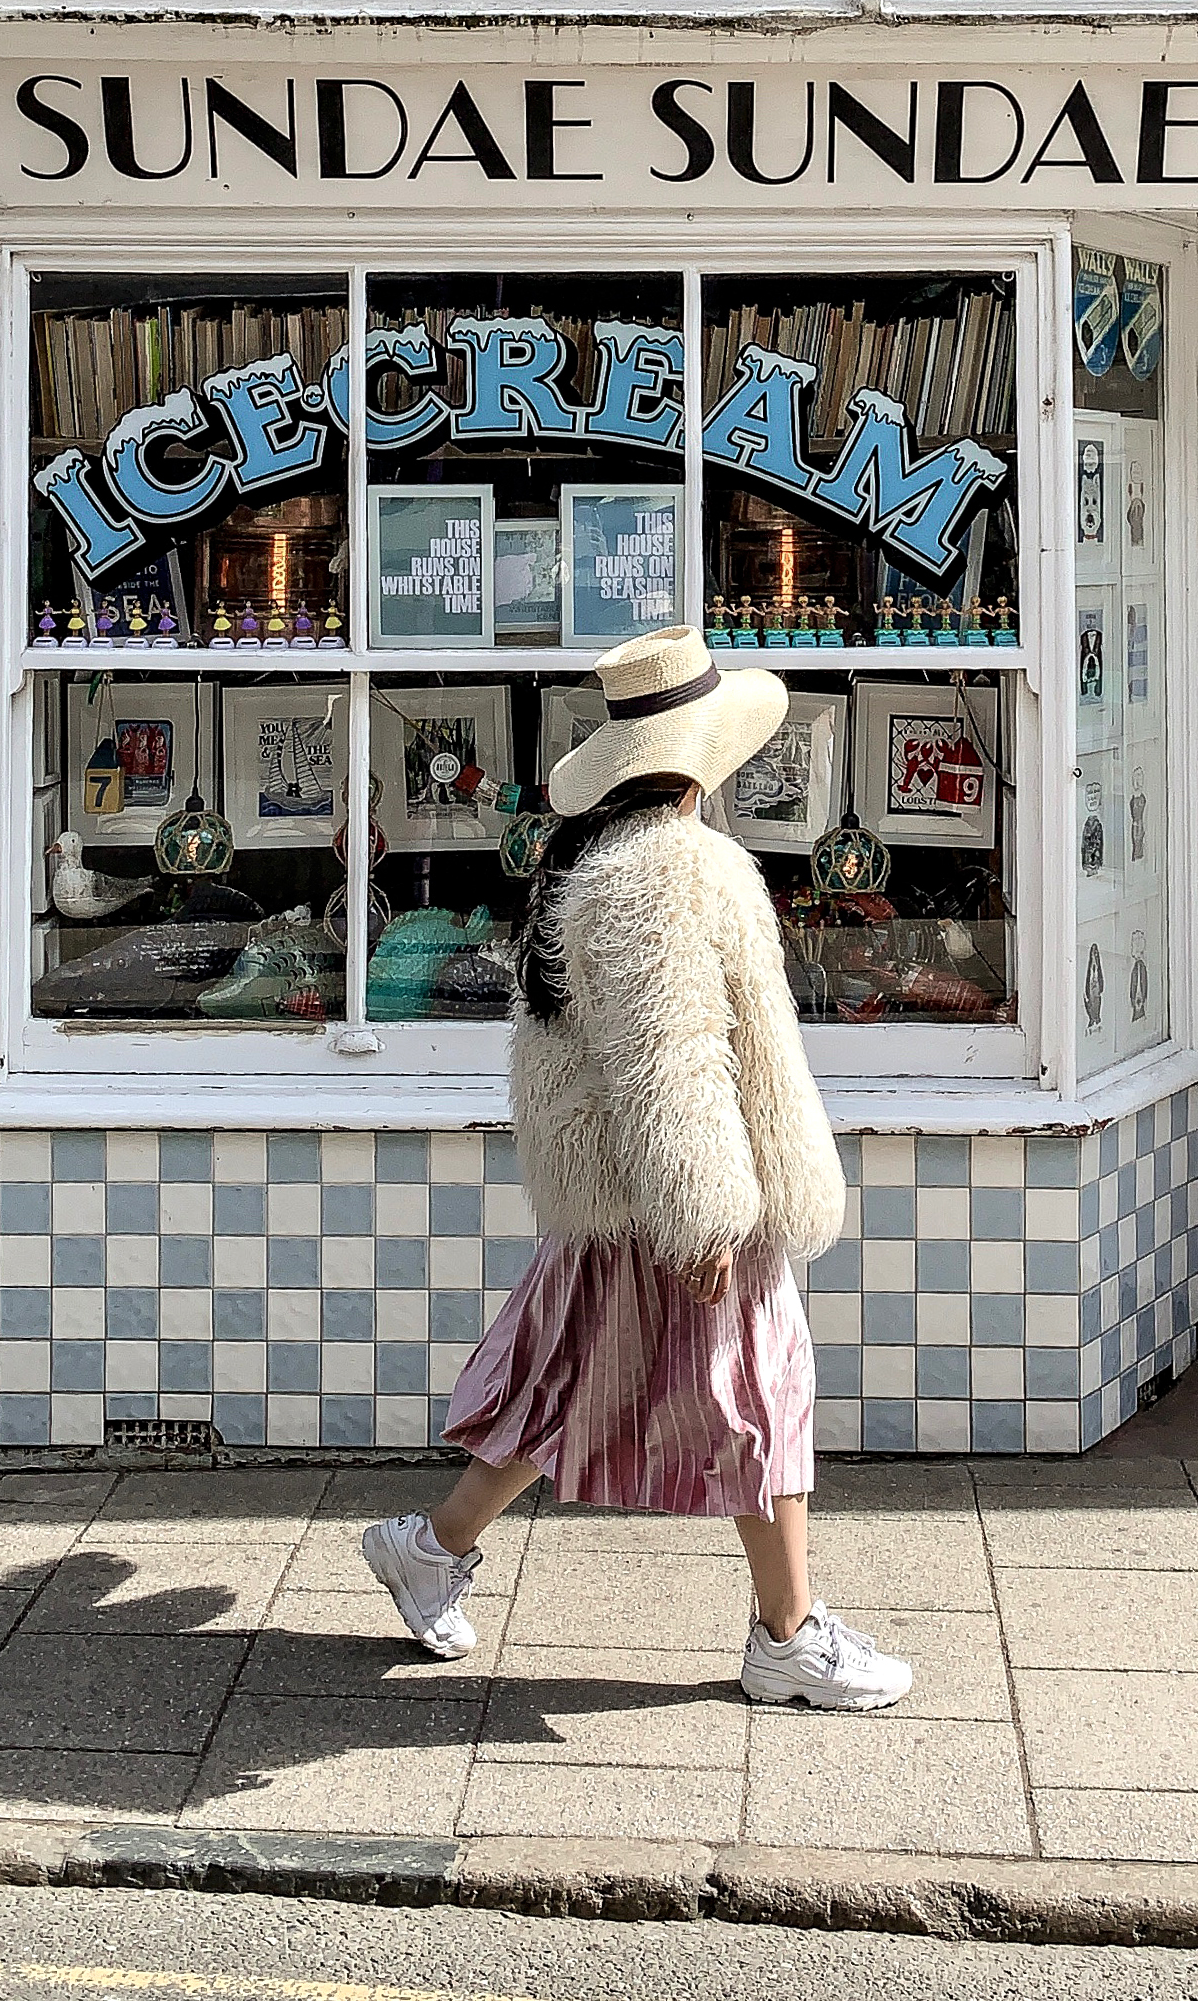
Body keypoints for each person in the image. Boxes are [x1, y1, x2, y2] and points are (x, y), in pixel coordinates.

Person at [363, 627, 911, 1711]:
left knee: (567, 1384)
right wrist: (703, 1213)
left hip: (620, 1194)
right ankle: (787, 1636)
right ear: (705, 753)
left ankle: (432, 1547)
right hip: (683, 1193)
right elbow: (672, 1055)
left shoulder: (601, 860)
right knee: (760, 1397)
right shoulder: (669, 866)